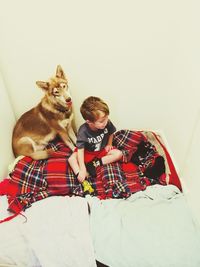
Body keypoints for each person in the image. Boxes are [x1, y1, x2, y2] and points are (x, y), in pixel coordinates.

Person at [68, 96, 122, 186]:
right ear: (89, 122)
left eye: (106, 118)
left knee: (119, 154)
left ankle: (95, 164)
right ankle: (82, 177)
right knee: (71, 159)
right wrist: (82, 168)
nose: (105, 122)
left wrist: (109, 144)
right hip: (87, 152)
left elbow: (111, 132)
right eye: (101, 121)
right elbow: (80, 150)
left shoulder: (107, 122)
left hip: (101, 151)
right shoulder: (83, 131)